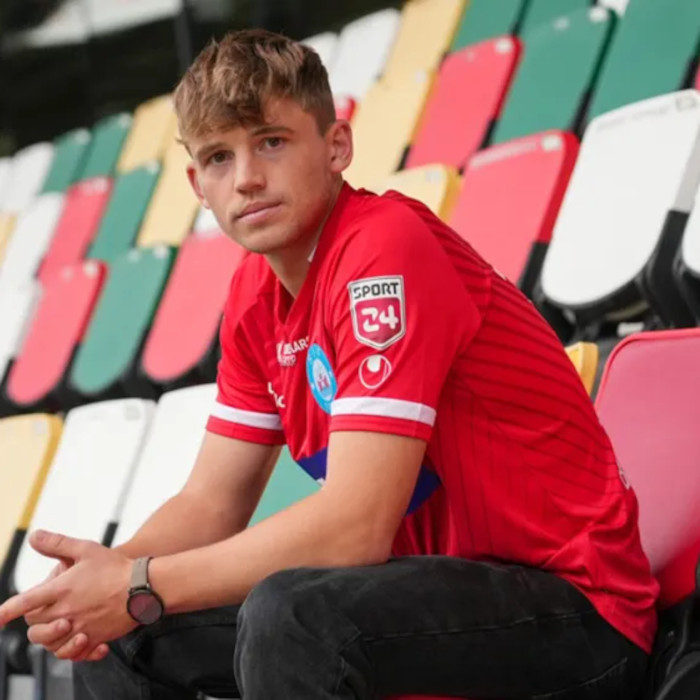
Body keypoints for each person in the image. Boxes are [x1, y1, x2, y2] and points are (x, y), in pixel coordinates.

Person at [0, 29, 658, 700]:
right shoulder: (254, 295)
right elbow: (210, 502)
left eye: (271, 142)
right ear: (197, 184)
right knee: (126, 634)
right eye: (219, 157)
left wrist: (138, 584)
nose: (247, 178)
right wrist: (108, 582)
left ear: (337, 146)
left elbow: (355, 527)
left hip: (578, 611)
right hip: (423, 606)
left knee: (292, 617)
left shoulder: (386, 248)